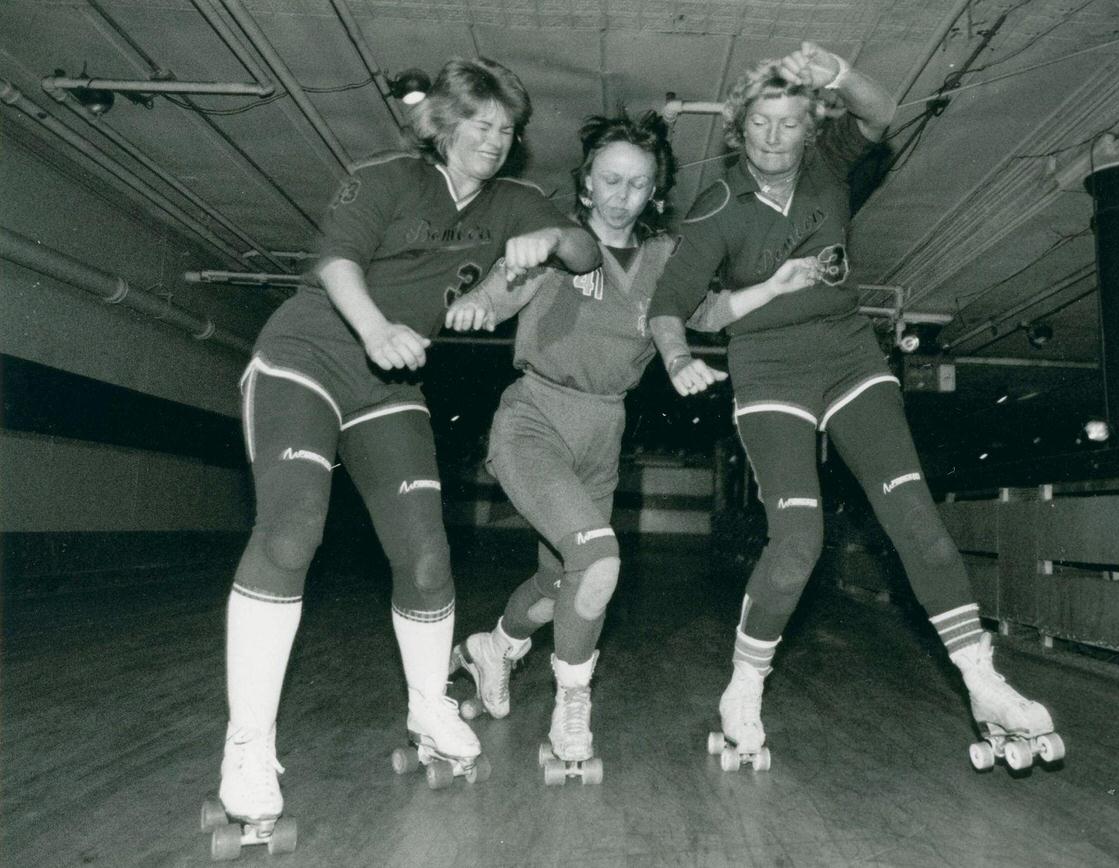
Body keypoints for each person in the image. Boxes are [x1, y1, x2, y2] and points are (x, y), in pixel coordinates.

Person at [646, 42, 1060, 769]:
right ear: (739, 131)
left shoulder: (828, 166)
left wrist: (837, 74)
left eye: (788, 124)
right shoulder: (718, 208)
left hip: (849, 355)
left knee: (916, 518)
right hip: (770, 371)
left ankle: (982, 680)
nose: (775, 140)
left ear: (808, 128)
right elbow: (674, 307)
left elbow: (885, 111)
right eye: (761, 126)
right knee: (798, 541)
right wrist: (677, 357)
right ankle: (744, 688)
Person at [216, 56, 601, 827]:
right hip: (307, 358)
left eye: (506, 129)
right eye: (480, 125)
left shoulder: (516, 201)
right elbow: (334, 262)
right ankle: (248, 745)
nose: (494, 140)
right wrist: (377, 326)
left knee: (426, 555)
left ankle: (429, 708)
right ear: (444, 126)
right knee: (292, 532)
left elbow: (592, 255)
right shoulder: (385, 176)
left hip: (388, 387)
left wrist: (551, 239)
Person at [442, 108, 685, 779]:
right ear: (586, 185)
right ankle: (571, 703)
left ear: (654, 192)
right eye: (610, 180)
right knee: (599, 562)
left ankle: (495, 645)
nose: (623, 196)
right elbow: (492, 299)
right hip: (534, 421)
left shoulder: (666, 260)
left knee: (558, 585)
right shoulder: (555, 243)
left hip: (604, 433)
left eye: (638, 185)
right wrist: (473, 305)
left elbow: (711, 306)